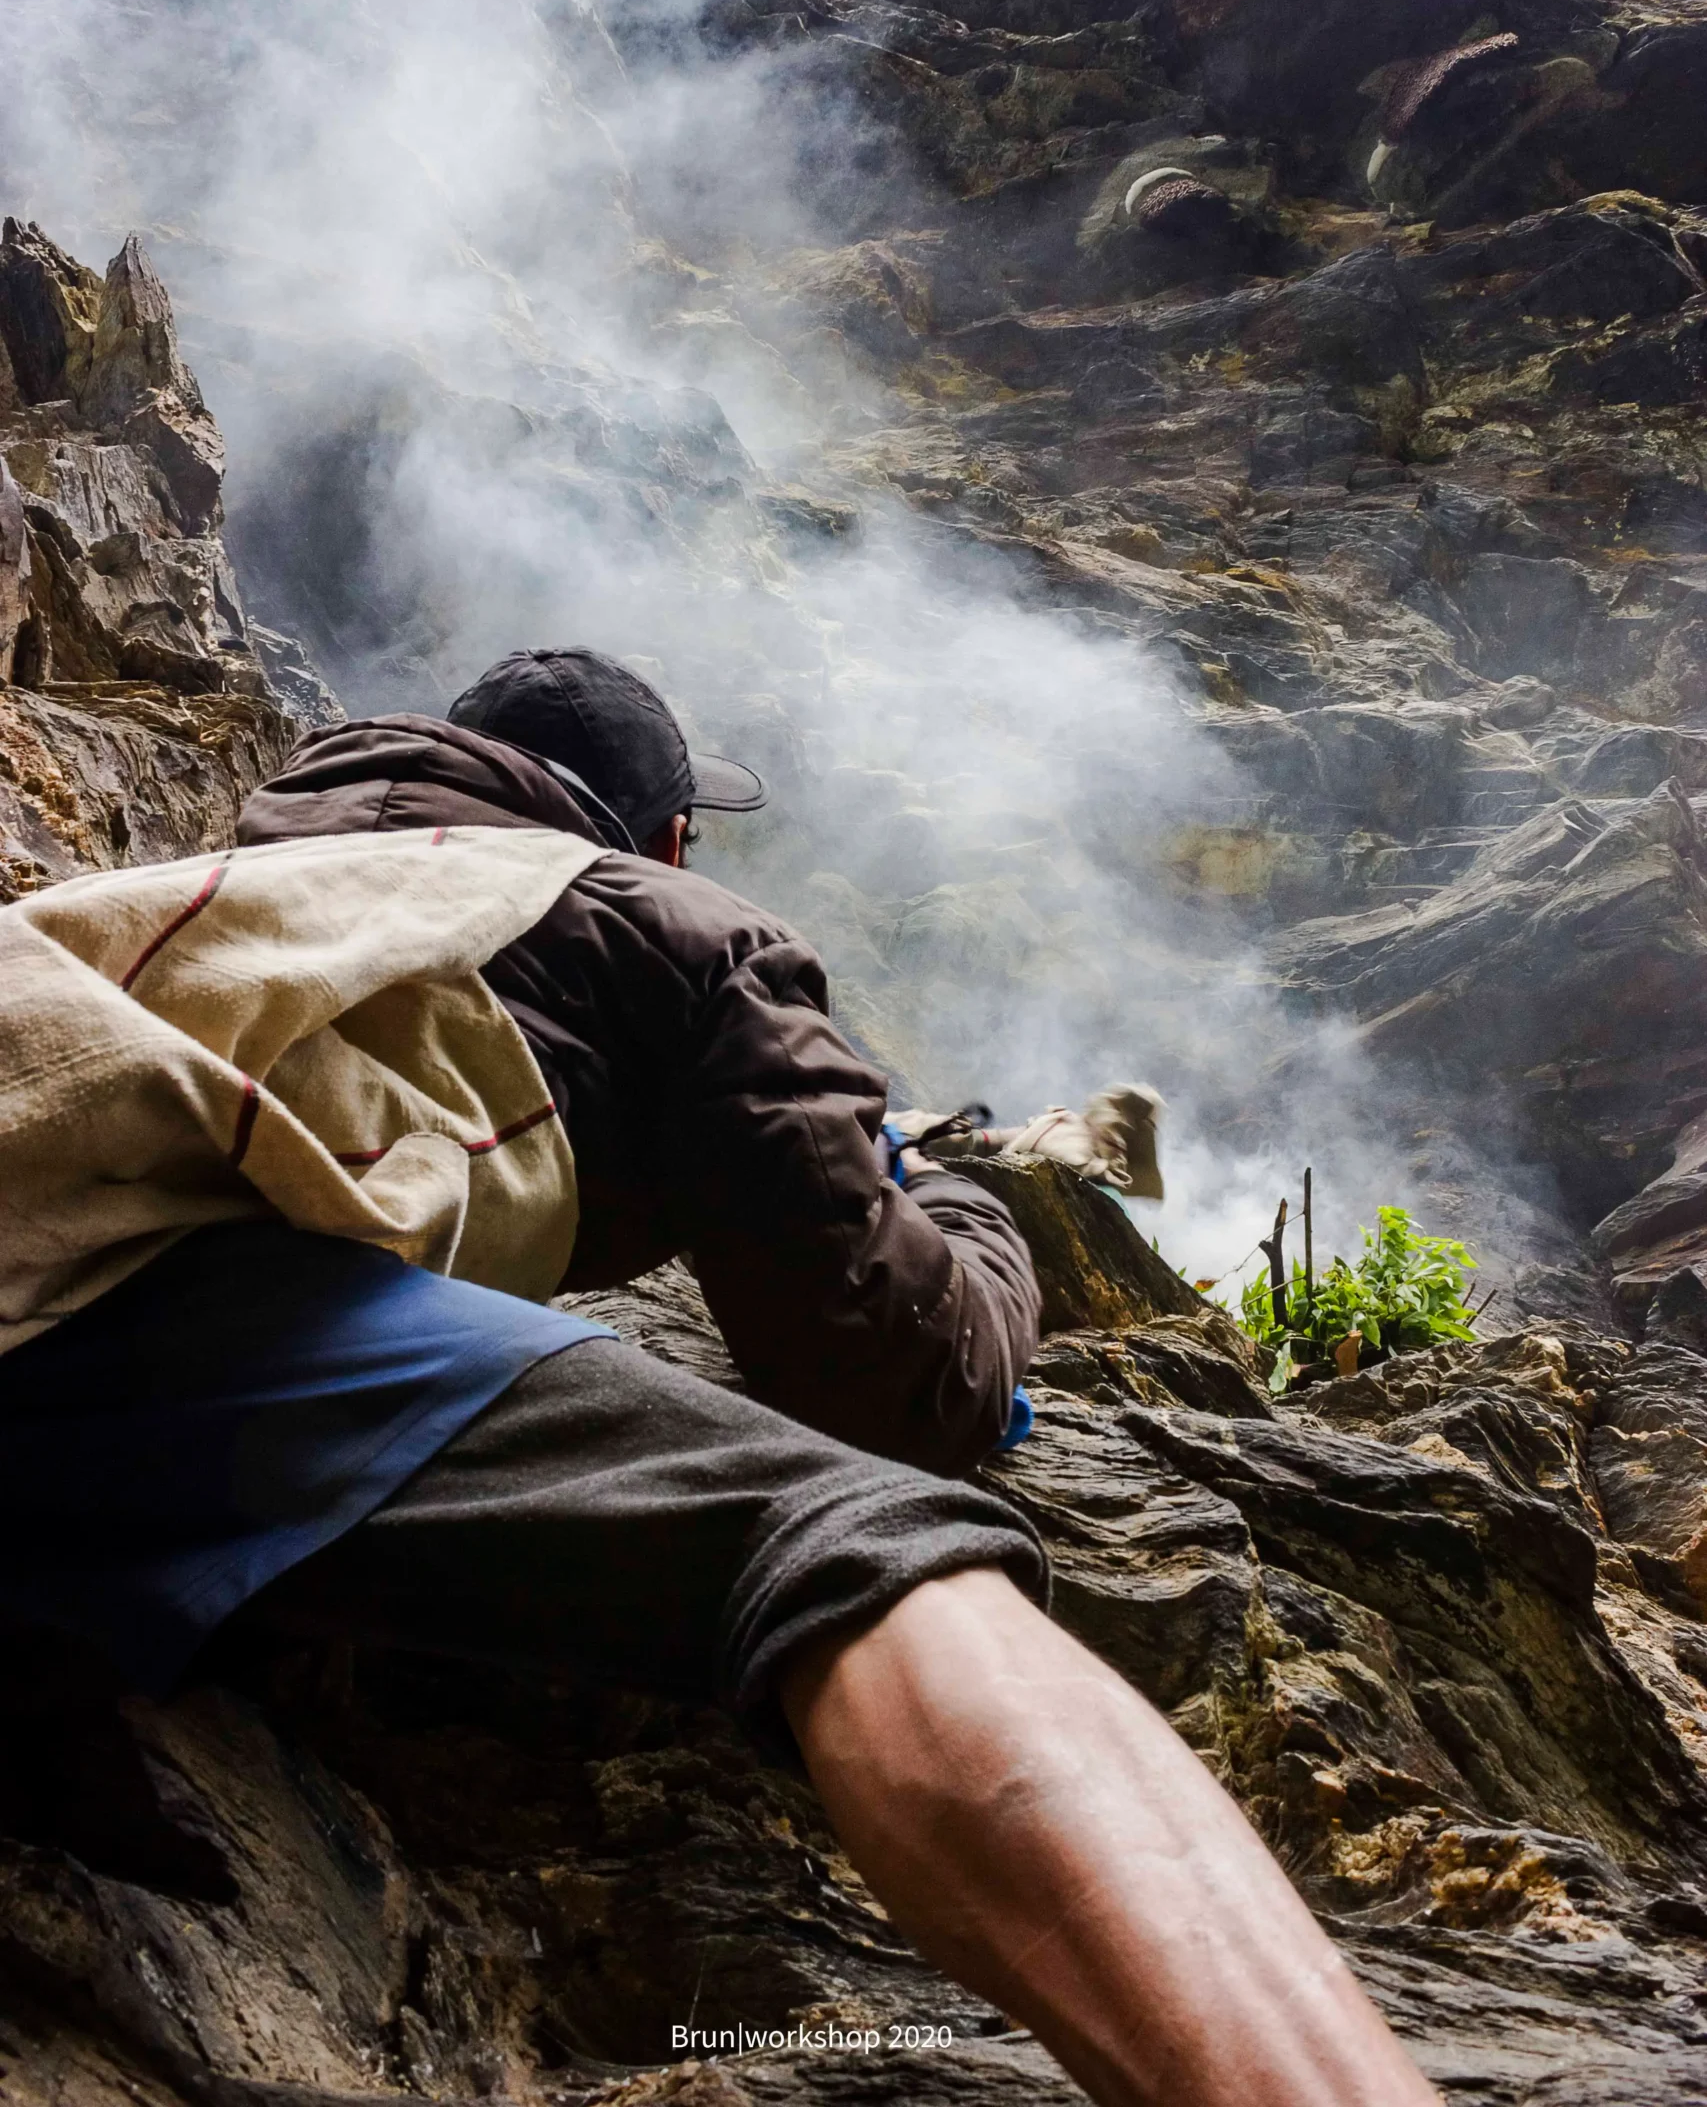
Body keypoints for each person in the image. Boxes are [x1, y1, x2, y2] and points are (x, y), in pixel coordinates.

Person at [0, 646, 1435, 2107]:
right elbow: (893, 1386)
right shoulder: (680, 925)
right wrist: (974, 1217)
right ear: (667, 834)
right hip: (106, 1293)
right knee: (875, 1568)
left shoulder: (229, 876)